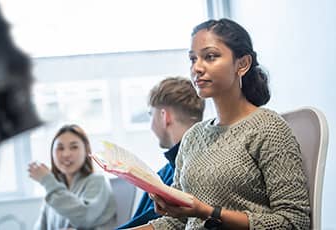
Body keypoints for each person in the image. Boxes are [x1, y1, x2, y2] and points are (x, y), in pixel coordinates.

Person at [130, 18, 311, 230]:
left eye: (210, 57)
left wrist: (207, 212)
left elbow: (294, 222)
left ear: (242, 64)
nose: (196, 68)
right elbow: (176, 222)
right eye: (192, 59)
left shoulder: (269, 129)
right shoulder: (193, 136)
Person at [117, 77, 206, 229]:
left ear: (165, 116)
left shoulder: (173, 174)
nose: (151, 125)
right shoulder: (201, 162)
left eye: (151, 114)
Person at [28, 124, 117, 230]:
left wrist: (47, 180)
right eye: (60, 148)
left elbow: (84, 217)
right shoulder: (54, 191)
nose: (66, 154)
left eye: (74, 147)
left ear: (86, 151)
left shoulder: (97, 181)